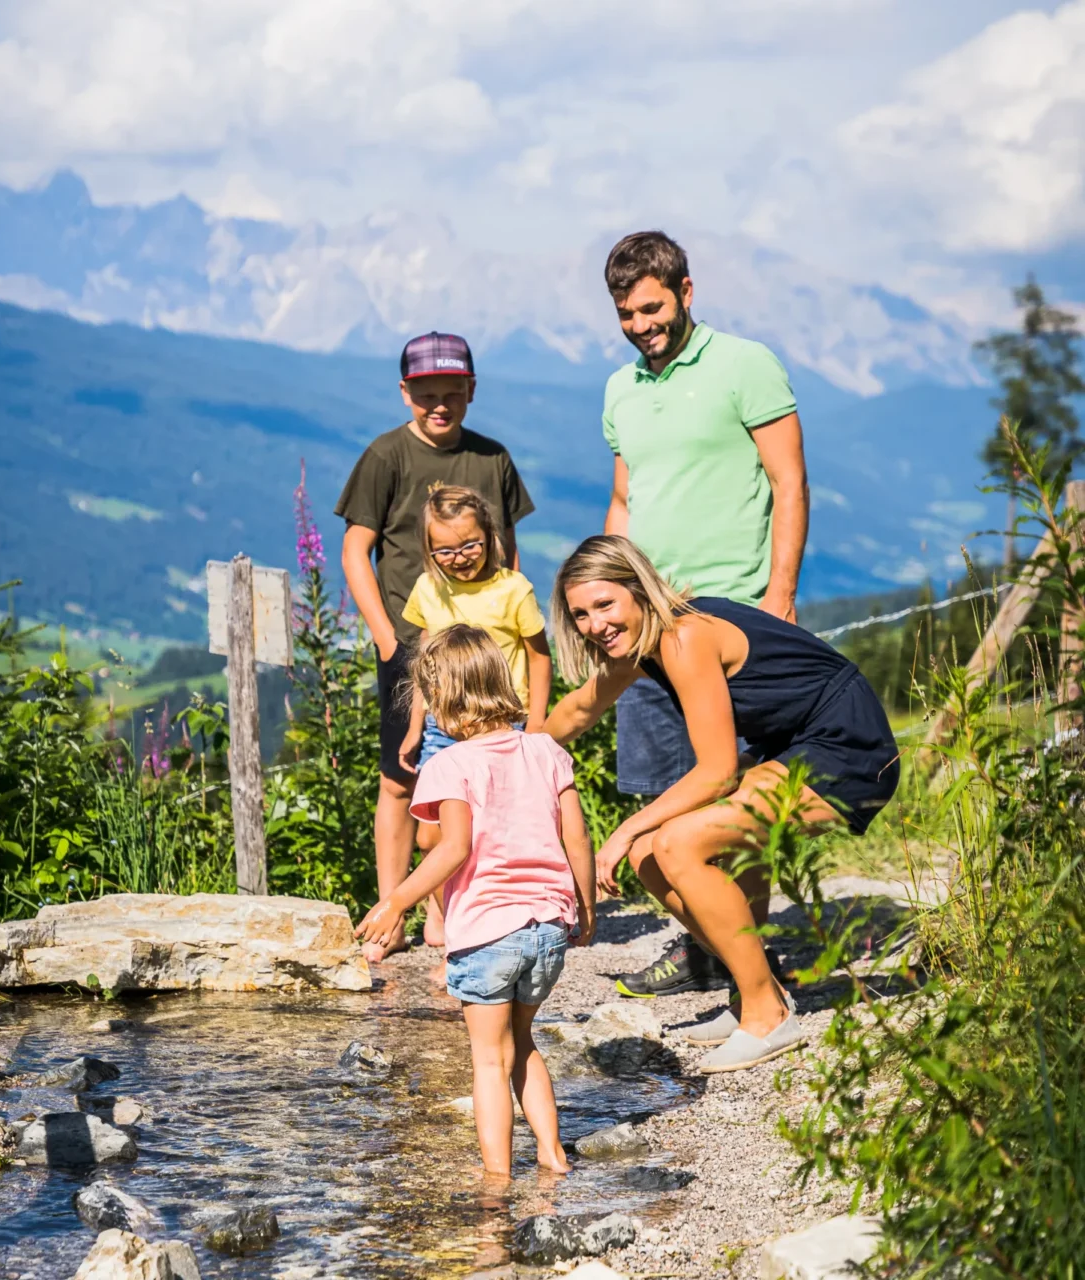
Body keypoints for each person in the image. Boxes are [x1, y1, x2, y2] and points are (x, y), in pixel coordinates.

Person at [543, 536, 898, 1073]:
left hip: (846, 746)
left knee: (676, 842)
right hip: (791, 748)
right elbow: (575, 712)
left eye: (605, 604)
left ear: (638, 591)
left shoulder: (684, 638)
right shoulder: (641, 644)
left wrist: (616, 835)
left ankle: (767, 1016)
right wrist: (514, 756)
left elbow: (716, 773)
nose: (595, 624)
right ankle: (753, 991)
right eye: (581, 614)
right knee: (650, 855)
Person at [599, 230, 812, 1000]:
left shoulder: (745, 365)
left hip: (734, 622)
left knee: (736, 793)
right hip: (650, 625)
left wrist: (779, 598)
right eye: (626, 313)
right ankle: (703, 947)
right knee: (664, 791)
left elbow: (788, 482)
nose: (640, 325)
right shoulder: (620, 388)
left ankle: (749, 969)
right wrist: (606, 604)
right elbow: (625, 501)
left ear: (687, 292)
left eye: (652, 308)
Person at [355, 624, 596, 1174]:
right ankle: (553, 1155)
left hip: (488, 935)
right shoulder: (545, 750)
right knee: (524, 1042)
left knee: (489, 1061)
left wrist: (396, 901)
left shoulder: (450, 764)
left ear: (441, 698)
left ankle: (497, 1179)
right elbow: (576, 838)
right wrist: (585, 910)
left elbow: (452, 850)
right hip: (548, 930)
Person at [336, 333, 535, 963]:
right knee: (403, 777)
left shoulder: (492, 459)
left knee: (483, 779)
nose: (440, 406)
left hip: (485, 660)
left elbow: (507, 554)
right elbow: (354, 549)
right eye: (427, 396)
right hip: (413, 648)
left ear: (472, 391)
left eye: (453, 394)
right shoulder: (386, 455)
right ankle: (390, 911)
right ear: (406, 393)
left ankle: (460, 908)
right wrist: (388, 637)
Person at [399, 485, 553, 809]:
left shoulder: (514, 589)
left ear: (490, 534)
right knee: (432, 830)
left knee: (497, 814)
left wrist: (537, 724)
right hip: (443, 727)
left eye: (470, 544)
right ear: (428, 550)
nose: (458, 558)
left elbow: (539, 658)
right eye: (444, 551)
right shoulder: (427, 589)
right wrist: (416, 727)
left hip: (504, 724)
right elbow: (425, 668)